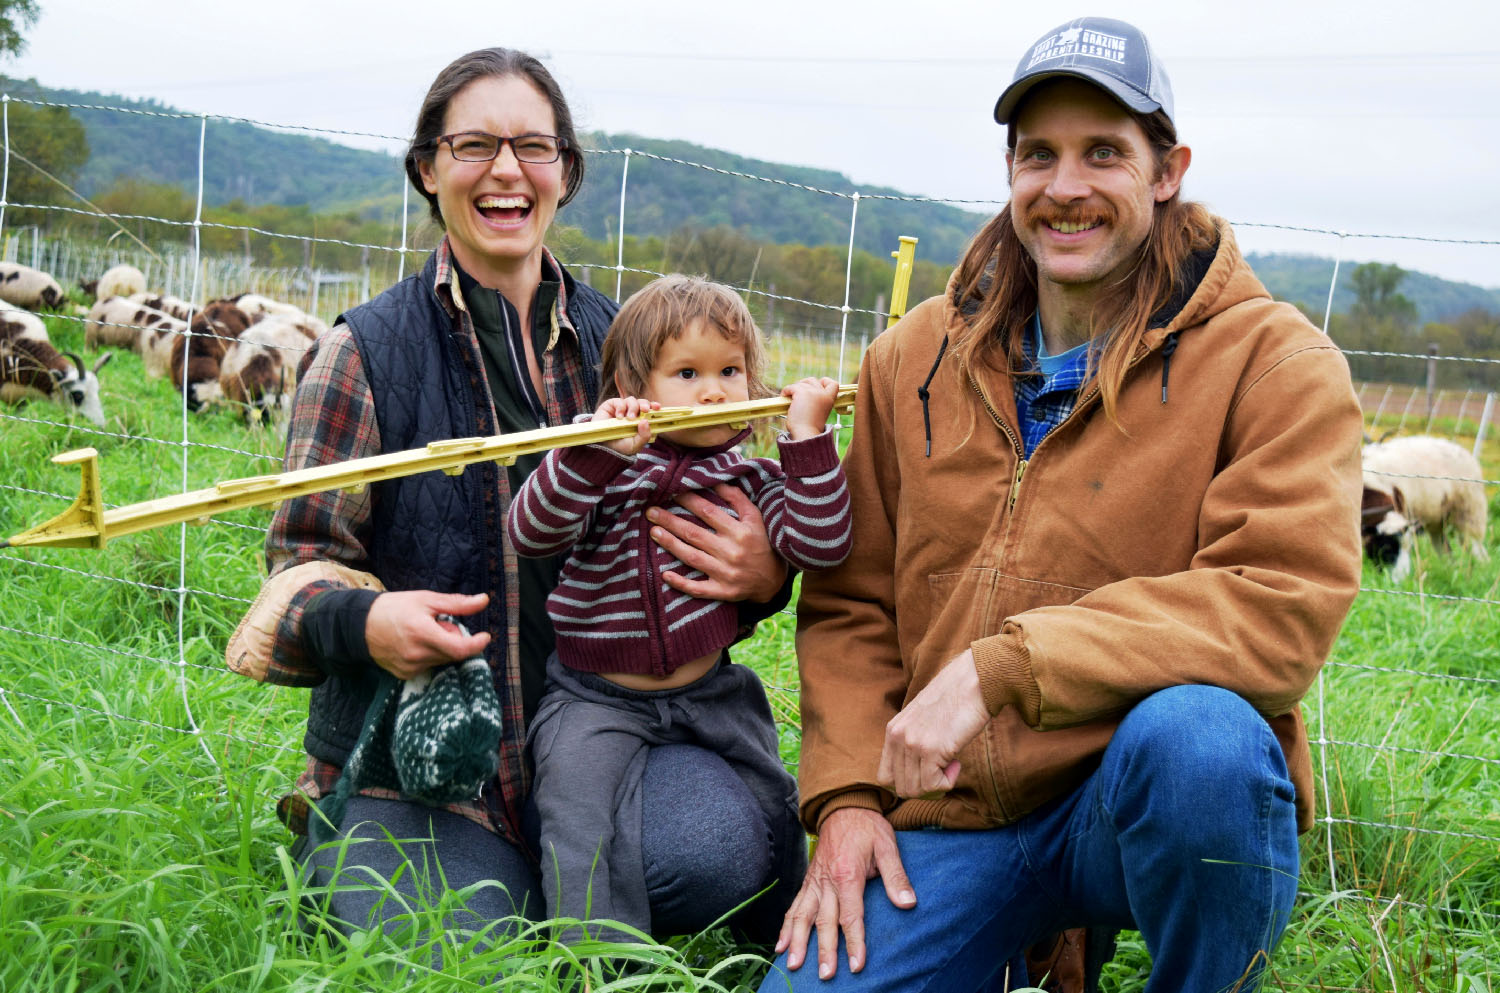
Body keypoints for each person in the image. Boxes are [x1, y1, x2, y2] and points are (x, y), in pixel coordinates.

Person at [760, 16, 1364, 993]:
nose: (1066, 187)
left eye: (1104, 154)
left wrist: (1008, 666)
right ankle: (1027, 946)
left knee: (1205, 746)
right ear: (1009, 167)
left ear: (1167, 172)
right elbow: (852, 601)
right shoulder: (910, 359)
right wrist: (847, 800)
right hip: (951, 811)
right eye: (1039, 154)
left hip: (1127, 801)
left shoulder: (1276, 364)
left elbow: (1277, 605)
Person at [227, 48, 795, 944]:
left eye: (533, 147)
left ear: (564, 173)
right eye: (474, 145)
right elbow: (299, 566)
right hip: (430, 759)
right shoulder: (364, 353)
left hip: (616, 727)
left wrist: (764, 573)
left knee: (719, 850)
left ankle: (570, 876)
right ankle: (432, 860)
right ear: (427, 168)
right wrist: (368, 625)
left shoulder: (633, 347)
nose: (505, 171)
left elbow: (712, 524)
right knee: (447, 935)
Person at [506, 274, 851, 940]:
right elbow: (530, 531)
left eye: (731, 369)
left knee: (775, 796)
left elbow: (824, 543)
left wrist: (807, 442)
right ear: (633, 392)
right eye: (687, 372)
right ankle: (590, 965)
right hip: (594, 697)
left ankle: (779, 945)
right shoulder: (606, 471)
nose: (715, 390)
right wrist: (590, 453)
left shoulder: (754, 479)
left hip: (711, 688)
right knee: (578, 815)